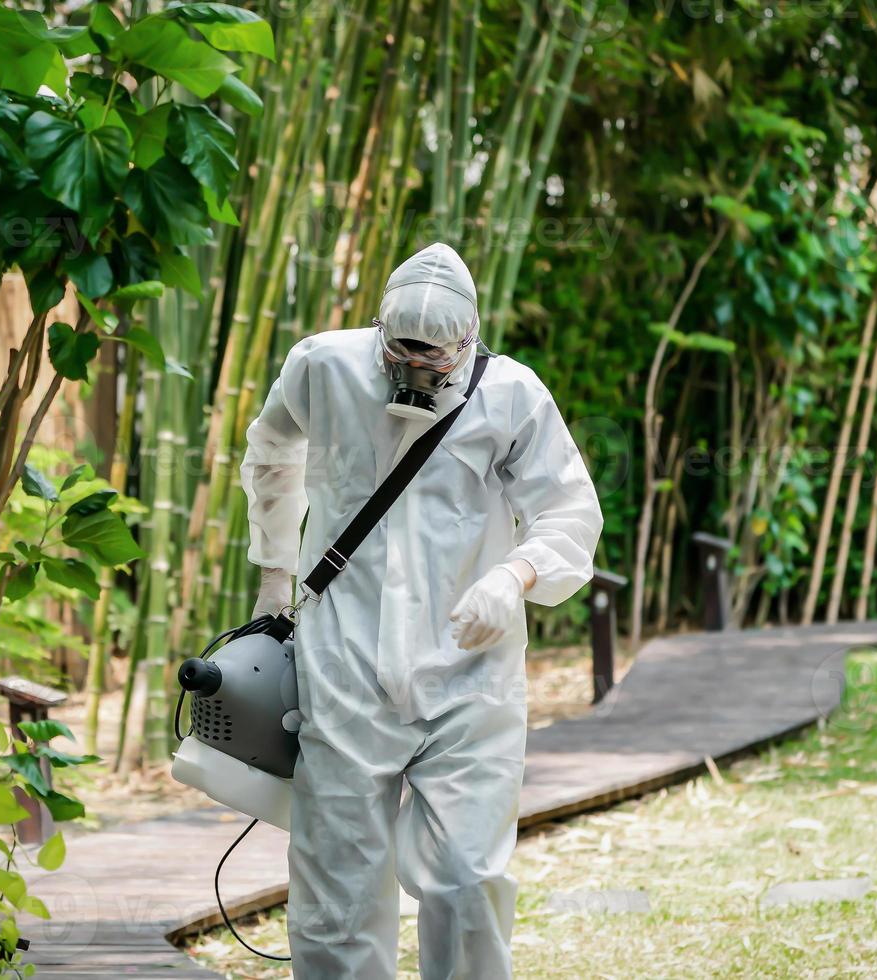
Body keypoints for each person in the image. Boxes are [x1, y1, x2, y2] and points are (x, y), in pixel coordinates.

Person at [240, 242, 602, 979]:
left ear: (468, 339)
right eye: (403, 348)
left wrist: (516, 576)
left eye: (435, 355)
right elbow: (272, 446)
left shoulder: (511, 394)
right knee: (339, 885)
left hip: (470, 666)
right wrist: (275, 573)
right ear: (379, 329)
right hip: (344, 655)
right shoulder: (324, 365)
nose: (417, 366)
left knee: (470, 876)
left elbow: (569, 507)